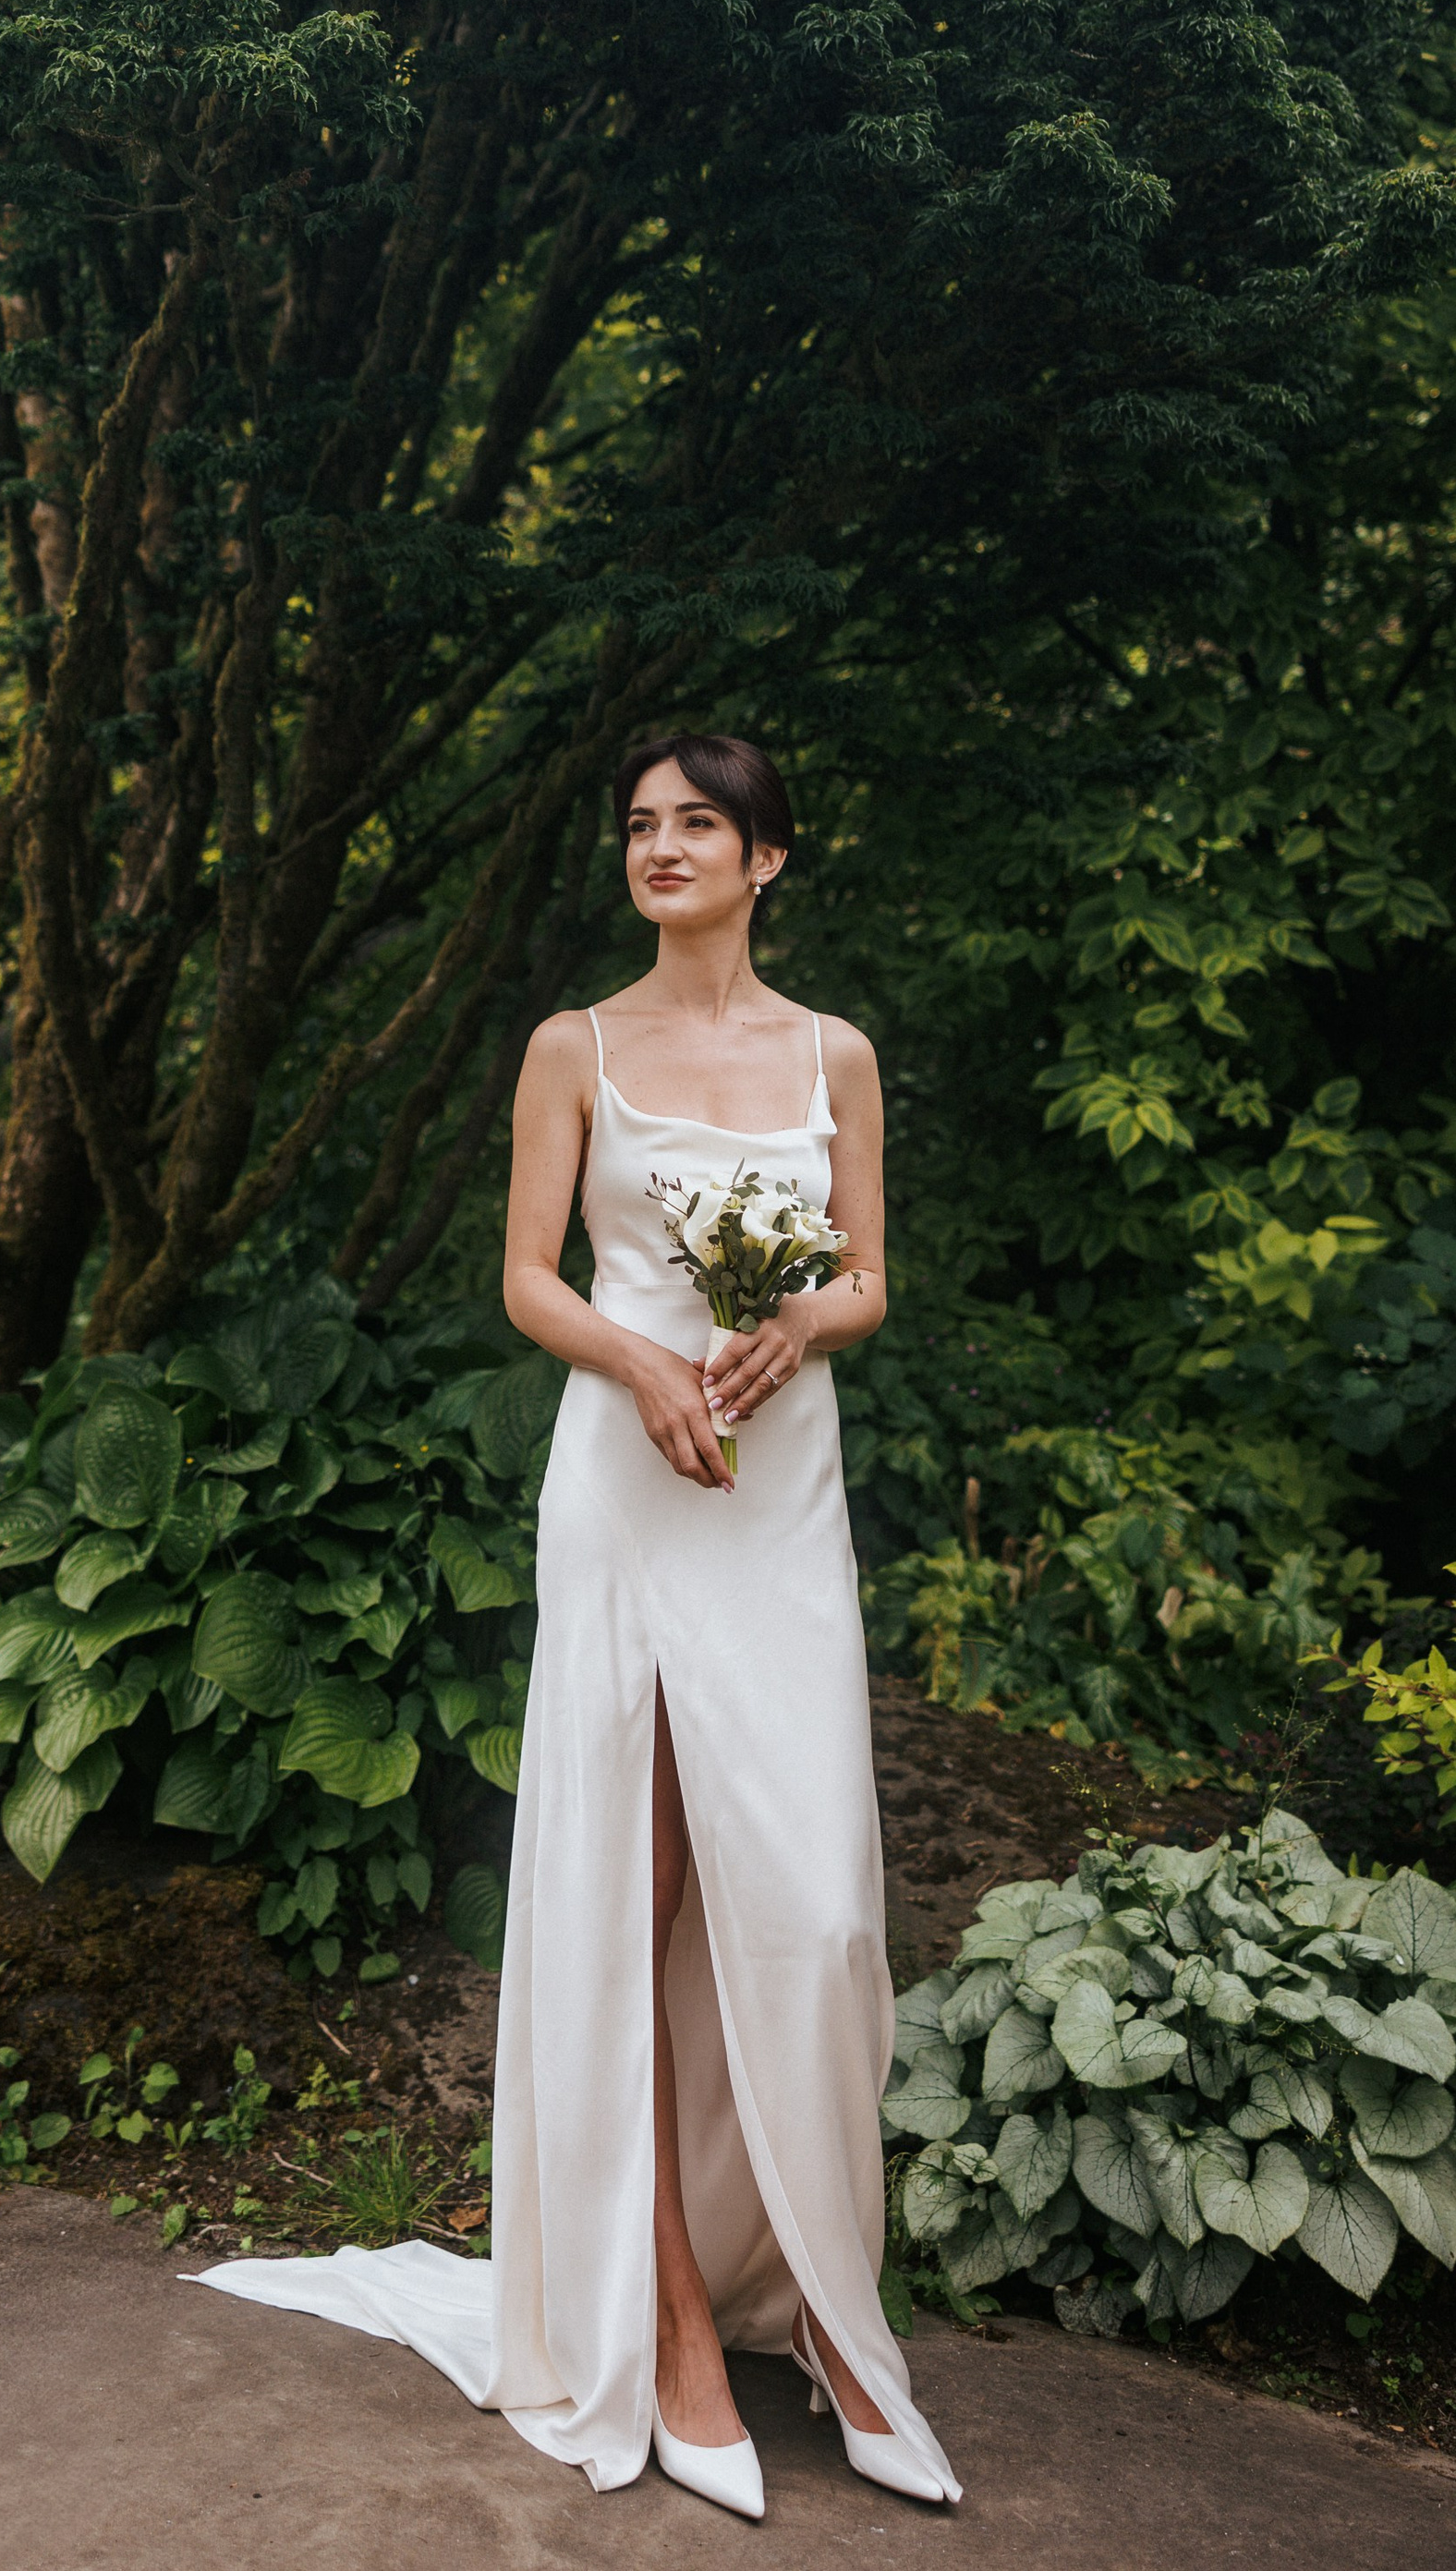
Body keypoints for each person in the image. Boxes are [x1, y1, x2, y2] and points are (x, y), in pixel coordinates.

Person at [188, 734, 960, 2516]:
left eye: (698, 822)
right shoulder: (574, 1045)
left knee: (821, 1903)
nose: (662, 846)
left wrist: (797, 1332)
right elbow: (532, 1275)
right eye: (639, 825)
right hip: (626, 1484)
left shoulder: (833, 1050)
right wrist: (635, 1355)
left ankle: (836, 2322)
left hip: (780, 1490)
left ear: (773, 856)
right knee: (645, 1881)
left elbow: (869, 1271)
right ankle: (672, 2323)